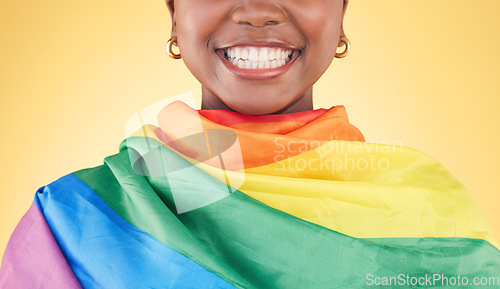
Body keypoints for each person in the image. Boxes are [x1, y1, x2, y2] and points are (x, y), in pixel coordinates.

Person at [1, 0, 500, 288]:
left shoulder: (430, 215)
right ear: (173, 14)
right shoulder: (72, 223)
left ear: (343, 12)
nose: (258, 11)